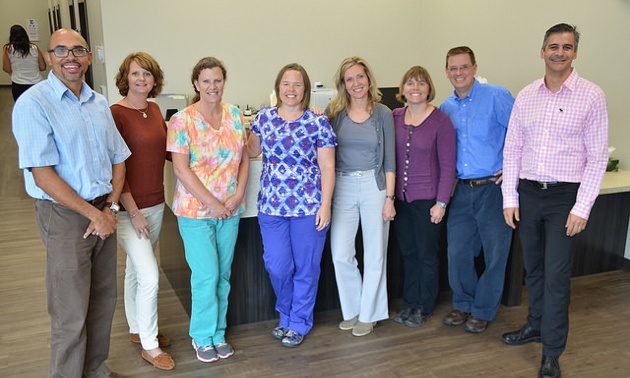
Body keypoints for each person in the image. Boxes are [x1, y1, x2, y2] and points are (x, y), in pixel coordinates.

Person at [11, 28, 130, 378]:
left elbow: (119, 158)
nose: (70, 57)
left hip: (102, 212)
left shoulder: (98, 103)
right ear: (48, 57)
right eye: (60, 50)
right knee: (70, 312)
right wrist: (97, 213)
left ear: (89, 58)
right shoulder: (33, 103)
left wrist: (110, 209)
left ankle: (94, 369)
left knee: (102, 301)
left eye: (78, 50)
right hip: (64, 216)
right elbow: (42, 174)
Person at [501, 23, 608, 378]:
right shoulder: (527, 95)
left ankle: (552, 350)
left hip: (565, 197)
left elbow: (597, 158)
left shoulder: (591, 95)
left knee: (556, 277)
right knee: (533, 270)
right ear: (542, 51)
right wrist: (509, 197)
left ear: (575, 52)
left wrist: (582, 207)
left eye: (566, 46)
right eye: (552, 46)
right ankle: (534, 325)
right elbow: (512, 149)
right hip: (529, 194)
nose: (559, 52)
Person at [166, 56, 249, 363]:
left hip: (230, 210)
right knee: (206, 275)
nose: (212, 86)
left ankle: (218, 333)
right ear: (196, 84)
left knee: (224, 275)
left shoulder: (235, 115)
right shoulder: (182, 121)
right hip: (195, 212)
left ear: (223, 82)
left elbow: (242, 160)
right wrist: (213, 204)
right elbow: (181, 170)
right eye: (206, 81)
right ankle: (201, 336)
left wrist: (237, 195)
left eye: (217, 80)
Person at [248, 63, 336, 347]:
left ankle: (297, 321)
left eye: (297, 84)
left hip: (309, 207)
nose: (291, 89)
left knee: (306, 268)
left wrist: (326, 205)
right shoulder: (263, 119)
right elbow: (251, 151)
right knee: (277, 266)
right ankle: (285, 313)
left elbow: (328, 167)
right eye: (286, 83)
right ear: (278, 88)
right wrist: (236, 124)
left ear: (305, 90)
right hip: (271, 207)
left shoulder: (318, 122)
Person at [439, 46, 515, 333]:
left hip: (493, 189)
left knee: (496, 253)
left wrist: (512, 167)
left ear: (473, 68)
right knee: (457, 252)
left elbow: (523, 132)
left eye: (464, 67)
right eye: (453, 68)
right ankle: (463, 304)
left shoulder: (496, 96)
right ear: (447, 72)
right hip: (462, 190)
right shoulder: (445, 108)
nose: (459, 73)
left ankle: (483, 310)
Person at [110, 52, 174, 371]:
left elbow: (164, 152)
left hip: (156, 202)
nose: (141, 79)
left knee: (135, 271)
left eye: (147, 74)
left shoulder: (154, 109)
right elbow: (115, 167)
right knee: (150, 276)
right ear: (126, 77)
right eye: (136, 74)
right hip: (128, 209)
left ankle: (137, 328)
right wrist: (132, 211)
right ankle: (150, 345)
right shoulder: (116, 113)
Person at [328, 56, 396, 337]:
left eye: (359, 77)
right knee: (341, 254)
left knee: (375, 253)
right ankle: (354, 308)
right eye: (349, 79)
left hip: (374, 185)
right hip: (342, 186)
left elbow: (389, 159)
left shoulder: (383, 113)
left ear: (368, 79)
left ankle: (370, 314)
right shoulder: (336, 114)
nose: (356, 83)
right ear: (343, 85)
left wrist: (390, 197)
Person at [391, 66, 456, 328]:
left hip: (428, 202)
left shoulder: (441, 121)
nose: (415, 88)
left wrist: (441, 203)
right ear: (402, 89)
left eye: (421, 83)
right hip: (401, 201)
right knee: (408, 253)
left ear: (429, 88)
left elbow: (448, 166)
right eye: (410, 83)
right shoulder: (394, 116)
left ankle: (424, 306)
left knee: (426, 254)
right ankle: (410, 302)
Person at [2, 24, 46, 101]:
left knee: (22, 108)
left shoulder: (8, 49)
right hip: (36, 83)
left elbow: (7, 69)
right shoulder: (34, 48)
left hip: (18, 84)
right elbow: (43, 67)